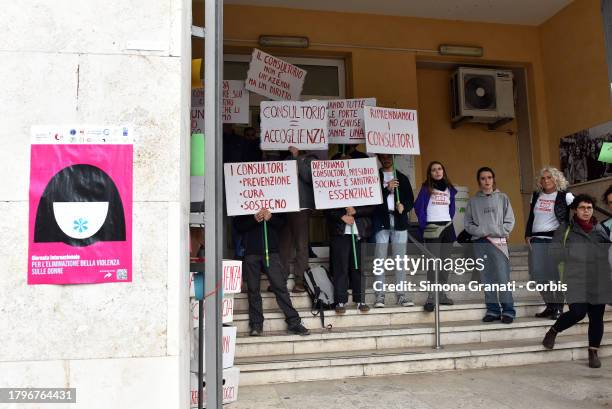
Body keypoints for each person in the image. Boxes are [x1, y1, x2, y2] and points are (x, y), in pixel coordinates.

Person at [542, 194, 612, 368]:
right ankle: (553, 330)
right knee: (578, 312)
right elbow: (553, 253)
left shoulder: (600, 229)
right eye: (582, 208)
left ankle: (593, 352)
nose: (586, 211)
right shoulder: (565, 229)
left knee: (597, 317)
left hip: (598, 279)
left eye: (589, 208)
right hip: (574, 278)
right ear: (575, 209)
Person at [234, 208, 310, 336]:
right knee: (253, 289)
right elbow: (238, 226)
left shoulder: (273, 200)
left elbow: (282, 224)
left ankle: (293, 321)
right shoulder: (243, 204)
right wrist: (253, 219)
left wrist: (271, 218)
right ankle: (256, 324)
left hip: (272, 251)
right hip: (251, 251)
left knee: (280, 286)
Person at [464, 167, 516, 324]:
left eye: (489, 177)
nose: (486, 181)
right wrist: (481, 231)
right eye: (483, 178)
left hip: (499, 242)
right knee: (486, 277)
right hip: (480, 242)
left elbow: (510, 220)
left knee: (502, 277)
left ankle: (508, 310)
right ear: (478, 181)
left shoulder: (502, 198)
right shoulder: (473, 202)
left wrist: (499, 231)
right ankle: (493, 310)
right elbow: (468, 224)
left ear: (493, 179)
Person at [524, 167, 574, 319]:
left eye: (549, 177)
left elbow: (580, 209)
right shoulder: (536, 195)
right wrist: (527, 234)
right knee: (538, 274)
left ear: (556, 179)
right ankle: (550, 306)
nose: (546, 181)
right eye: (543, 178)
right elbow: (531, 217)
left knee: (555, 275)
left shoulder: (565, 195)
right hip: (537, 239)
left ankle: (558, 307)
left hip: (555, 239)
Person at [414, 161, 458, 311]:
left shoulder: (450, 188)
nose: (437, 172)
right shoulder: (426, 188)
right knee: (433, 263)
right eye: (434, 170)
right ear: (430, 173)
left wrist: (448, 220)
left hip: (447, 228)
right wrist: (424, 225)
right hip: (432, 228)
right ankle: (432, 296)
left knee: (445, 263)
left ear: (443, 171)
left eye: (440, 169)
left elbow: (452, 208)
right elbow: (418, 206)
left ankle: (442, 294)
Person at [372, 153, 415, 308]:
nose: (386, 159)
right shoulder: (374, 177)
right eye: (382, 156)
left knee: (400, 260)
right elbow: (372, 200)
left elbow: (410, 200)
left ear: (393, 156)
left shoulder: (402, 178)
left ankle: (402, 295)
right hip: (381, 222)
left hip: (399, 222)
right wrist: (387, 189)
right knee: (380, 259)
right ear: (378, 158)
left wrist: (404, 206)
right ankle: (380, 296)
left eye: (388, 156)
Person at [279, 146, 317, 293]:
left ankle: (300, 280)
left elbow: (308, 177)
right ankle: (281, 279)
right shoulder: (286, 160)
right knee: (284, 245)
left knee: (301, 244)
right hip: (286, 207)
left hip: (302, 207)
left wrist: (296, 158)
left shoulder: (311, 160)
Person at [327, 204, 374, 314]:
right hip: (340, 232)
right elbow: (326, 208)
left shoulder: (363, 186)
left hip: (359, 233)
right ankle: (340, 301)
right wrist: (341, 216)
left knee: (359, 268)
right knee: (340, 268)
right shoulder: (335, 186)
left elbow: (372, 208)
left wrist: (356, 211)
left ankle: (360, 300)